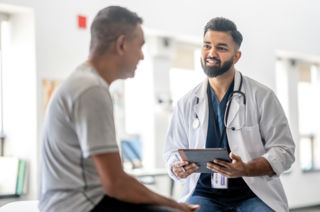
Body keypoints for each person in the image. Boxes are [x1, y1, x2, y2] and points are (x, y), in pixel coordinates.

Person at [39, 6, 199, 212]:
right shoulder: (91, 89)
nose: (142, 56)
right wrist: (173, 203)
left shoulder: (84, 82)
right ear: (122, 44)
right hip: (80, 206)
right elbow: (115, 183)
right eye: (140, 46)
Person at [163, 17, 295, 212]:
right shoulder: (187, 102)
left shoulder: (262, 96)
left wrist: (246, 169)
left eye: (221, 48)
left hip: (253, 193)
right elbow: (172, 151)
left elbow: (284, 151)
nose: (211, 53)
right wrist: (177, 167)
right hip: (204, 193)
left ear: (236, 56)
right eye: (207, 46)